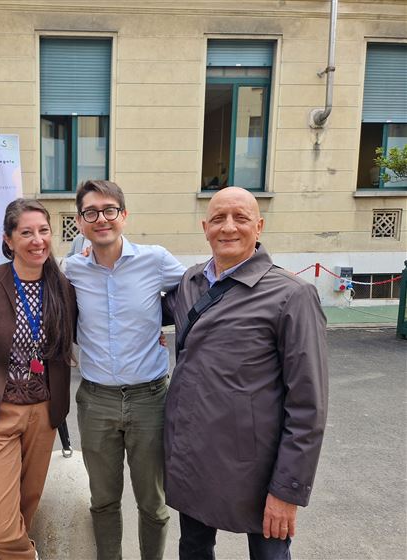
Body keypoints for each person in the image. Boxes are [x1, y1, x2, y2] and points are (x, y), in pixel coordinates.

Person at [163, 186, 329, 560]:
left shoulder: (291, 295)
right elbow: (141, 307)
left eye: (240, 218)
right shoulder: (191, 283)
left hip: (260, 469)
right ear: (205, 227)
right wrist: (103, 256)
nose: (228, 227)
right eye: (218, 218)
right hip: (193, 457)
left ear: (259, 226)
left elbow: (308, 406)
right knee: (193, 548)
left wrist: (288, 490)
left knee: (269, 555)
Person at [64, 180, 186, 560]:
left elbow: (195, 293)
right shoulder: (72, 269)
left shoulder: (156, 260)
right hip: (96, 400)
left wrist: (163, 325)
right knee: (102, 501)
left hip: (150, 398)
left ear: (124, 215)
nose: (101, 219)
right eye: (90, 212)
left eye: (109, 210)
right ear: (80, 222)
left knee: (153, 503)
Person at [0, 198, 76, 560]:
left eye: (43, 231)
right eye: (26, 232)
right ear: (8, 239)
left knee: (24, 510)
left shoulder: (63, 287)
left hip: (44, 413)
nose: (37, 240)